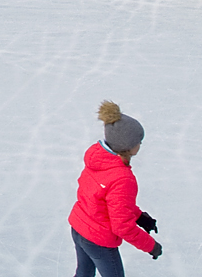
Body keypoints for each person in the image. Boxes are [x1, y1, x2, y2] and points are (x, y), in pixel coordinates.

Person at [67, 100, 161, 275]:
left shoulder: (99, 159)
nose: (140, 144)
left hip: (80, 228)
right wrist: (151, 246)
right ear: (127, 146)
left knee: (84, 273)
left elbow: (110, 201)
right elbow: (122, 226)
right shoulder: (122, 178)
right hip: (98, 240)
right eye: (138, 141)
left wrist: (139, 217)